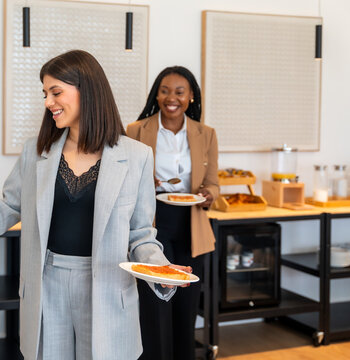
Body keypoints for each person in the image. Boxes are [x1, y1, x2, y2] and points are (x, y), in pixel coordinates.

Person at [0, 50, 191, 360]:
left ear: (88, 91)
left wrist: (160, 268)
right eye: (45, 93)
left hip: (106, 288)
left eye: (56, 92)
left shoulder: (136, 156)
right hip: (47, 286)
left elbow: (140, 234)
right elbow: (1, 212)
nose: (48, 102)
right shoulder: (36, 152)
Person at [126, 66, 219, 360]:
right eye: (165, 91)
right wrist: (143, 182)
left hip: (191, 227)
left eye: (180, 92)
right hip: (151, 225)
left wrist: (208, 195)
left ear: (191, 96)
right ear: (157, 94)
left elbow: (213, 182)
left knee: (186, 307)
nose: (171, 98)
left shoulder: (206, 134)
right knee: (154, 307)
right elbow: (122, 181)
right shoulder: (135, 131)